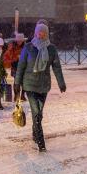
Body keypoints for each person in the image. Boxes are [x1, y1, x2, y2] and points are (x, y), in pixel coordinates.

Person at [14, 23, 66, 152]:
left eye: (43, 32)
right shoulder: (28, 47)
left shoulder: (51, 49)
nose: (40, 34)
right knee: (36, 113)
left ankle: (35, 132)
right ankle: (41, 143)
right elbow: (20, 67)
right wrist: (17, 83)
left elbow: (56, 67)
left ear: (46, 33)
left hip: (44, 86)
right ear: (35, 32)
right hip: (29, 85)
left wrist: (61, 83)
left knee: (39, 113)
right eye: (39, 32)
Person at [4, 33, 27, 102]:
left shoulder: (26, 47)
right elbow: (6, 57)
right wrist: (14, 59)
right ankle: (17, 95)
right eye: (18, 40)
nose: (19, 42)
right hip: (15, 66)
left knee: (24, 82)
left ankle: (22, 95)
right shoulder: (12, 47)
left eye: (21, 40)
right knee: (17, 82)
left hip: (24, 67)